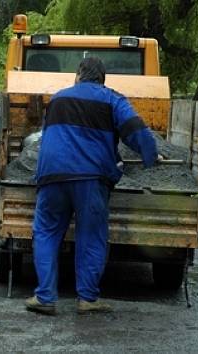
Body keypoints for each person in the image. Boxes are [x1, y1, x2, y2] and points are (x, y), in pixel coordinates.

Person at [25, 57, 160, 315]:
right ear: (102, 79)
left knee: (46, 232)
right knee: (90, 234)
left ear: (78, 76)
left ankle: (45, 297)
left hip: (52, 175)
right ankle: (87, 299)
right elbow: (135, 130)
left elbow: (46, 137)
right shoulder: (112, 99)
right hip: (90, 177)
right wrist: (151, 155)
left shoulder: (57, 99)